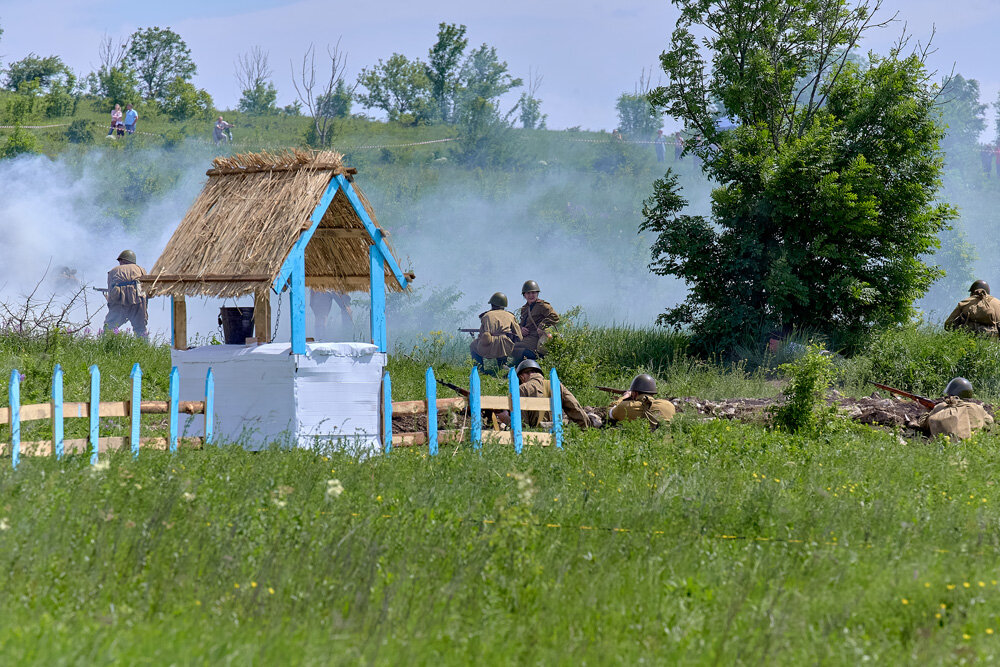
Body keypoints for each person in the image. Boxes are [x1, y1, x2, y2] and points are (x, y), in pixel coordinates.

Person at [499, 359, 598, 429]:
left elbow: (522, 422)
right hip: (558, 430)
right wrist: (585, 428)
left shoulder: (522, 389)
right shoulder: (555, 385)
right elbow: (574, 406)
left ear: (521, 377)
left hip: (535, 434)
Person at [916, 377, 993, 441]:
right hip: (972, 443)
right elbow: (989, 421)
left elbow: (923, 424)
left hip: (945, 444)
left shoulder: (942, 406)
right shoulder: (978, 408)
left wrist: (925, 410)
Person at [470, 292, 522, 374]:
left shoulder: (486, 315)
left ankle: (479, 369)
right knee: (504, 342)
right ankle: (502, 364)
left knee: (473, 346)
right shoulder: (510, 316)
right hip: (506, 346)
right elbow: (519, 335)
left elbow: (481, 334)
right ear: (504, 305)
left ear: (492, 305)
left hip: (489, 345)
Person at [511, 280, 559, 364]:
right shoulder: (524, 309)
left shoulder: (543, 306)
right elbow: (522, 323)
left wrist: (542, 326)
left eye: (533, 293)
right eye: (528, 293)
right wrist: (520, 329)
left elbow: (555, 317)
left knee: (513, 348)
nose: (531, 295)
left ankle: (536, 359)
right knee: (509, 344)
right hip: (527, 337)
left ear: (537, 293)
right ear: (524, 295)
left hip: (537, 338)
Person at [103, 249, 148, 337]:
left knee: (109, 327)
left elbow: (110, 290)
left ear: (122, 260)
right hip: (138, 301)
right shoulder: (141, 269)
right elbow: (145, 288)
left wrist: (110, 304)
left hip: (118, 302)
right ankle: (145, 347)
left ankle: (106, 345)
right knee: (140, 328)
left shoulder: (113, 271)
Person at [609, 374, 676, 429]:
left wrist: (624, 396)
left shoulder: (625, 407)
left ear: (635, 393)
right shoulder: (669, 405)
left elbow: (610, 411)